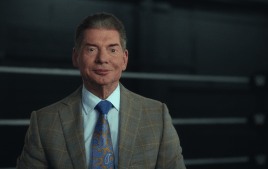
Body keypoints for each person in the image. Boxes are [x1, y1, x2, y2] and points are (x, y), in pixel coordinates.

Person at [16, 12, 185, 169]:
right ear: (76, 57)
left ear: (124, 59)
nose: (102, 59)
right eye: (92, 49)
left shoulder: (157, 116)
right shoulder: (44, 122)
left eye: (112, 50)